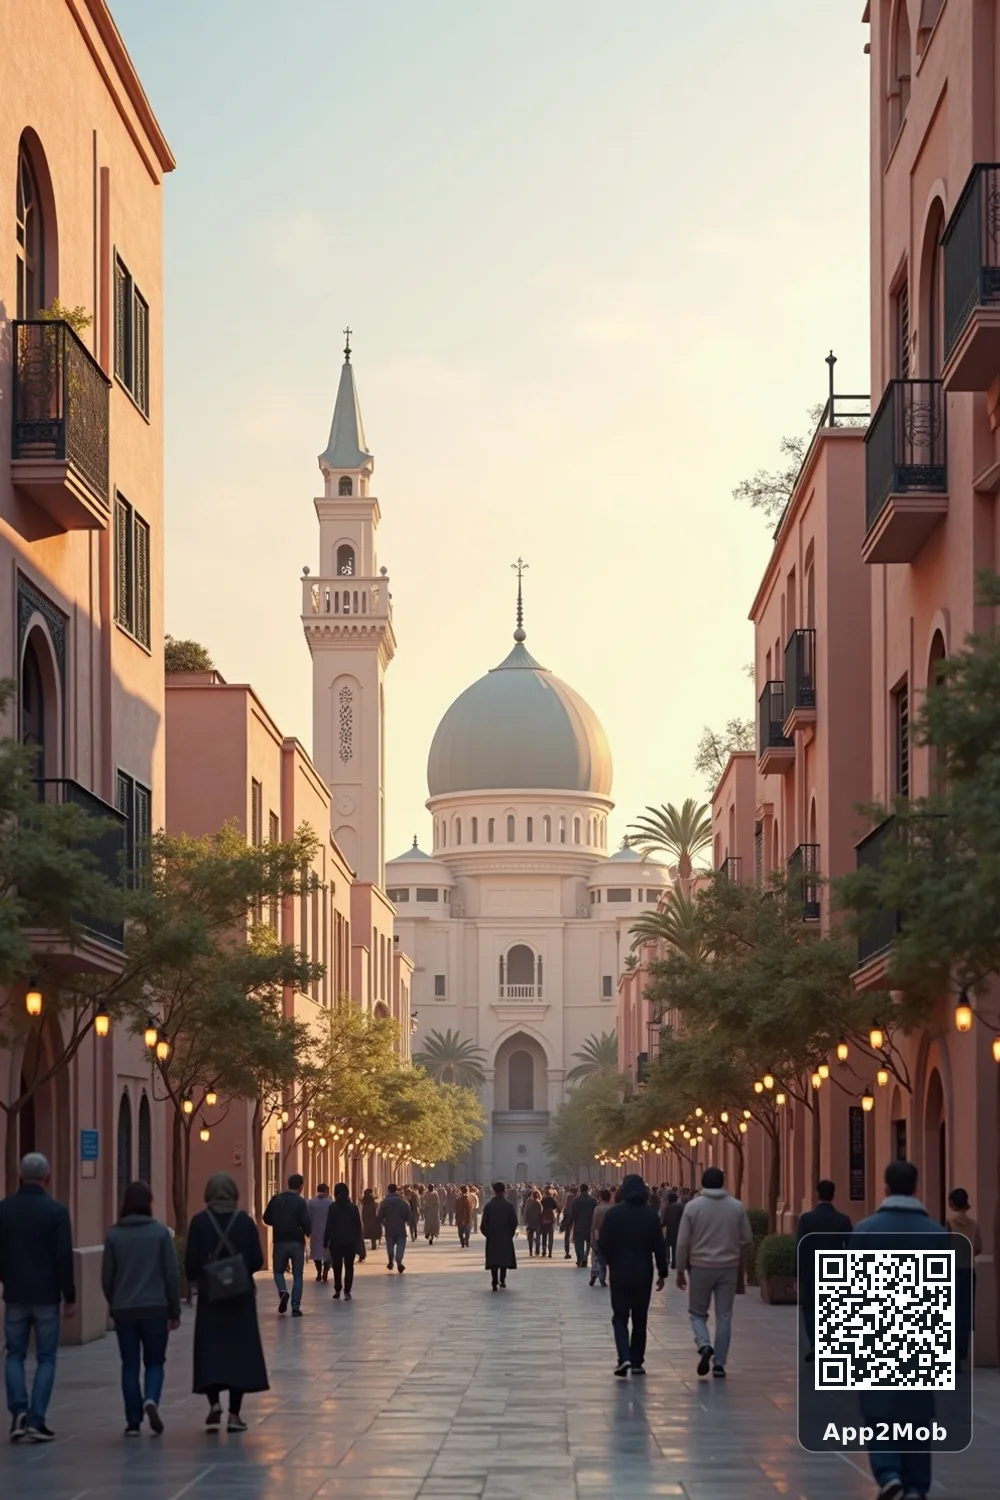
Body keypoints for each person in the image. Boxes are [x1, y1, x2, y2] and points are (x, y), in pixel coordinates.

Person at [854, 1161, 948, 1500]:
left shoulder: (865, 1231)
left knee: (879, 1409)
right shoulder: (938, 1235)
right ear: (916, 1188)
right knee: (917, 1412)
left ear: (885, 1188)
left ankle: (888, 1471)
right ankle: (916, 1484)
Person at [0, 1152, 76, 1443]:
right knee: (46, 1357)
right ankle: (36, 1419)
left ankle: (18, 1410)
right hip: (46, 1296)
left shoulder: (4, 1210)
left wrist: (7, 1279)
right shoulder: (56, 1212)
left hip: (16, 1294)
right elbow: (63, 1257)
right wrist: (69, 1295)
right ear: (47, 1177)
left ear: (20, 1176)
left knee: (15, 1355)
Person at [185, 1173, 268, 1432]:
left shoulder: (199, 1222)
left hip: (211, 1297)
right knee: (238, 1353)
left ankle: (213, 1405)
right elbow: (256, 1259)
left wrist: (203, 1278)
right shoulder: (244, 1222)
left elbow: (190, 1263)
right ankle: (234, 1414)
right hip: (240, 1297)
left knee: (211, 1349)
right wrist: (237, 1270)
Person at [101, 1181, 181, 1436]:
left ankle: (133, 1421)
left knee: (129, 1364)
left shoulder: (114, 1235)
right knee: (155, 1361)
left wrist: (114, 1301)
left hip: (124, 1309)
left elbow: (106, 1276)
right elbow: (171, 1273)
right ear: (148, 1202)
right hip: (156, 1308)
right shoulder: (159, 1234)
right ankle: (151, 1399)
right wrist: (174, 1309)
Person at [675, 1166, 752, 1379]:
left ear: (702, 1182)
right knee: (724, 1315)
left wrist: (680, 1270)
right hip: (728, 1267)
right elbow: (747, 1237)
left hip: (700, 1267)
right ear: (722, 1182)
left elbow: (682, 1242)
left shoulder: (693, 1207)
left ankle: (704, 1344)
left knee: (697, 1313)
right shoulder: (736, 1207)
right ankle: (719, 1364)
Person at [597, 1174, 667, 1376]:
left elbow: (603, 1243)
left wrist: (609, 1261)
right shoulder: (650, 1215)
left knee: (620, 1316)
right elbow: (659, 1247)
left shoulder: (614, 1214)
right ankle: (637, 1361)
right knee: (640, 1317)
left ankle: (624, 1357)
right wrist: (662, 1272)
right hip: (644, 1272)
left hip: (619, 1272)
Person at [795, 1180, 853, 1362]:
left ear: (817, 1194)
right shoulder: (843, 1220)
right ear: (833, 1195)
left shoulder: (806, 1219)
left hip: (811, 1270)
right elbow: (851, 1248)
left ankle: (816, 1342)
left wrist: (796, 1273)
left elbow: (800, 1246)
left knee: (810, 1308)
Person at [262, 1172, 311, 1317]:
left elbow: (266, 1218)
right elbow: (306, 1221)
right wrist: (308, 1232)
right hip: (296, 1241)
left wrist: (277, 1223)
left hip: (280, 1240)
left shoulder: (276, 1199)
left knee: (278, 1271)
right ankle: (295, 1307)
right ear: (301, 1187)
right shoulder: (300, 1201)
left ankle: (283, 1291)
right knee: (298, 1275)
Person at [947, 1187, 981, 1371]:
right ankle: (963, 1353)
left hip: (953, 1271)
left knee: (952, 1313)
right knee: (966, 1314)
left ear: (952, 1203)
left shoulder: (949, 1224)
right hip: (969, 1271)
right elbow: (978, 1248)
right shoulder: (974, 1224)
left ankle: (953, 1356)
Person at [323, 1183, 366, 1299]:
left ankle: (337, 1289)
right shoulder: (353, 1207)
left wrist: (325, 1240)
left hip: (336, 1242)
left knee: (337, 1267)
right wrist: (359, 1241)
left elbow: (329, 1226)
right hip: (350, 1242)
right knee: (349, 1267)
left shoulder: (332, 1207)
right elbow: (358, 1226)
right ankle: (347, 1291)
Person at [481, 1181, 518, 1290]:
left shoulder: (488, 1206)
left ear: (493, 1191)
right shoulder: (509, 1206)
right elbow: (514, 1222)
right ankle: (502, 1280)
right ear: (504, 1191)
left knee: (494, 1260)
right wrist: (509, 1234)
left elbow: (483, 1224)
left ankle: (494, 1280)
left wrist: (488, 1234)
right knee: (503, 1260)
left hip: (492, 1237)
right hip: (505, 1236)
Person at [377, 1184, 412, 1272]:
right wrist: (404, 1219)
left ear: (388, 1190)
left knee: (390, 1245)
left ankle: (390, 1260)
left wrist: (382, 1221)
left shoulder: (384, 1202)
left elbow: (380, 1215)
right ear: (396, 1190)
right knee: (401, 1245)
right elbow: (408, 1214)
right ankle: (399, 1261)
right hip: (400, 1227)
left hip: (389, 1227)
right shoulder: (403, 1202)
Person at [306, 1183, 332, 1282]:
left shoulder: (311, 1203)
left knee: (317, 1253)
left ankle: (318, 1272)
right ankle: (325, 1270)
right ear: (326, 1191)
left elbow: (307, 1217)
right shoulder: (330, 1203)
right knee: (327, 1253)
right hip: (328, 1232)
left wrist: (308, 1230)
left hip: (315, 1230)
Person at [568, 1183, 597, 1268]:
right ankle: (585, 1257)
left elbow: (572, 1213)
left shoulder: (576, 1200)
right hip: (590, 1225)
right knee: (588, 1244)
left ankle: (580, 1258)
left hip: (579, 1225)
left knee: (578, 1244)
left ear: (580, 1190)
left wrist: (570, 1223)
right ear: (588, 1190)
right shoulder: (593, 1200)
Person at [589, 1188, 613, 1287]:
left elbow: (594, 1224)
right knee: (605, 1258)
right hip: (609, 1237)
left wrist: (592, 1236)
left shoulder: (597, 1208)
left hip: (598, 1235)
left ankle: (593, 1276)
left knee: (595, 1257)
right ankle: (603, 1278)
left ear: (600, 1197)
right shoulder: (612, 1209)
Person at [660, 1190, 684, 1270]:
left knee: (667, 1244)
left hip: (670, 1229)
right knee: (675, 1246)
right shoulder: (681, 1206)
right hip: (679, 1229)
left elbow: (664, 1219)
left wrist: (662, 1225)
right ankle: (675, 1262)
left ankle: (667, 1259)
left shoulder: (667, 1207)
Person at [539, 1188, 558, 1258]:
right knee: (550, 1236)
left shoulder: (543, 1199)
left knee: (544, 1236)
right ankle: (550, 1252)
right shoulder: (552, 1199)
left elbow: (540, 1207)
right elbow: (555, 1207)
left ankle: (544, 1251)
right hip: (550, 1218)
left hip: (544, 1218)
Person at [361, 1187, 382, 1251]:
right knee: (373, 1234)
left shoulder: (364, 1202)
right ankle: (374, 1245)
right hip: (373, 1219)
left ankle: (369, 1246)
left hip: (366, 1219)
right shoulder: (373, 1202)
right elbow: (376, 1211)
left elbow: (363, 1212)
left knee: (368, 1232)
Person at [523, 1190, 543, 1256]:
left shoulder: (529, 1202)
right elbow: (541, 1213)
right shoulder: (539, 1203)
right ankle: (537, 1251)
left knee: (530, 1237)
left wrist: (526, 1220)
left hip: (530, 1222)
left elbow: (526, 1212)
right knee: (537, 1237)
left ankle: (530, 1251)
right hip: (537, 1222)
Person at [560, 1186, 578, 1259]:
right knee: (576, 1237)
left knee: (567, 1236)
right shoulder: (578, 1198)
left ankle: (567, 1252)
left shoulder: (569, 1197)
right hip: (576, 1219)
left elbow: (566, 1207)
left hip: (568, 1218)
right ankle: (578, 1254)